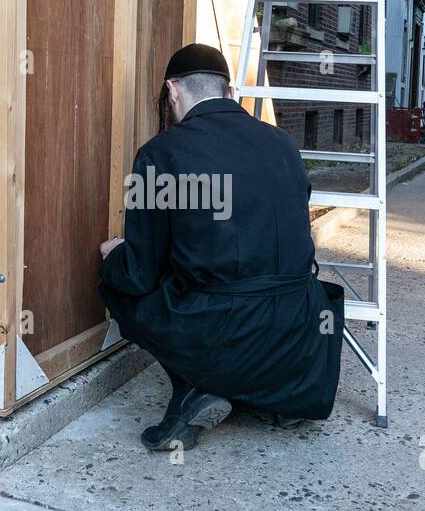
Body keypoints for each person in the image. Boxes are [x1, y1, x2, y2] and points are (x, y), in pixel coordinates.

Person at [98, 43, 344, 451]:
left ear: (172, 91)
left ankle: (196, 388)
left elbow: (140, 271)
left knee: (117, 282)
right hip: (301, 331)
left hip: (226, 334)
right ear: (229, 93)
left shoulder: (160, 154)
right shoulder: (283, 143)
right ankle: (277, 393)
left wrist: (115, 255)